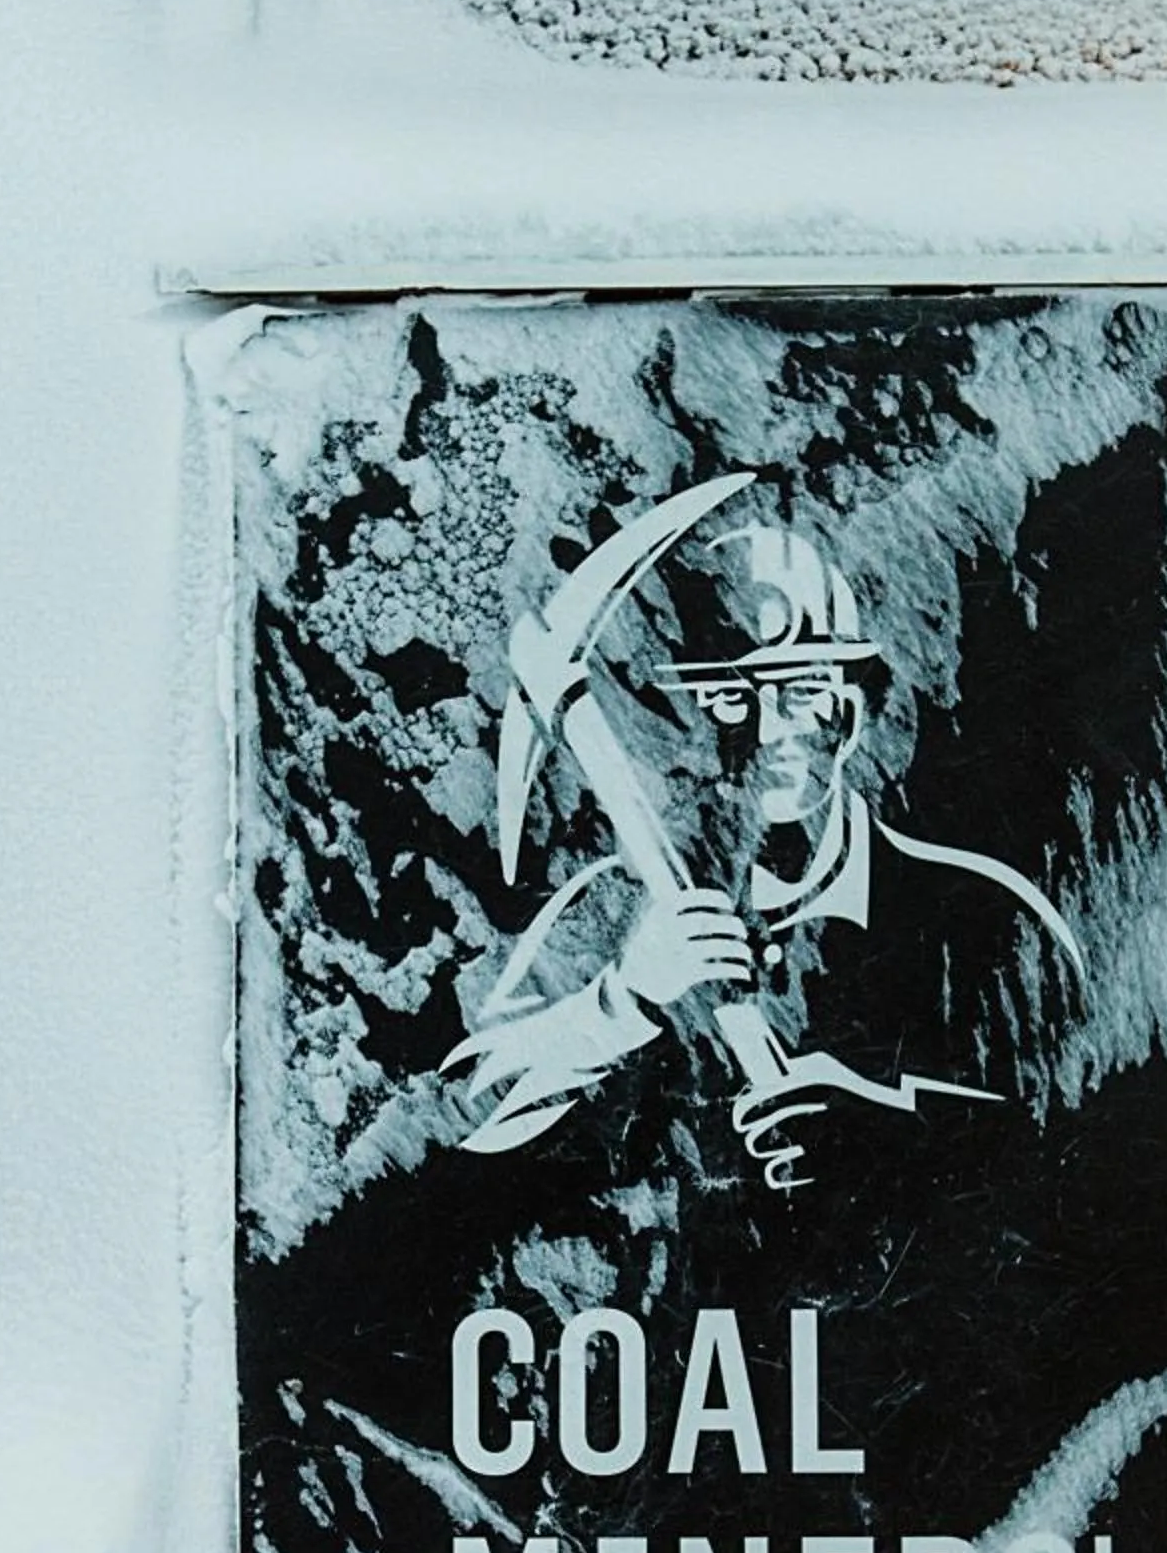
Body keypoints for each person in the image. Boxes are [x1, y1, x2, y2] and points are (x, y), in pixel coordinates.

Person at [446, 506, 1087, 1189]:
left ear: (853, 710)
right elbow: (463, 1113)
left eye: (803, 689)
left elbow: (1091, 1144)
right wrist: (623, 1000)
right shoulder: (618, 912)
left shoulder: (985, 918)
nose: (768, 729)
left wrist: (896, 1130)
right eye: (728, 698)